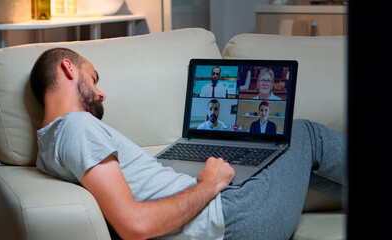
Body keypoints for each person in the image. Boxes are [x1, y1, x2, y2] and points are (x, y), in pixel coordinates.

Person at [31, 48, 347, 240]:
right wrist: (209, 185)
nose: (101, 94)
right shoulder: (76, 127)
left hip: (224, 215)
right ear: (67, 68)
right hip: (233, 219)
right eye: (94, 78)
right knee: (305, 134)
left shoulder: (47, 145)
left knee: (288, 155)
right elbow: (134, 226)